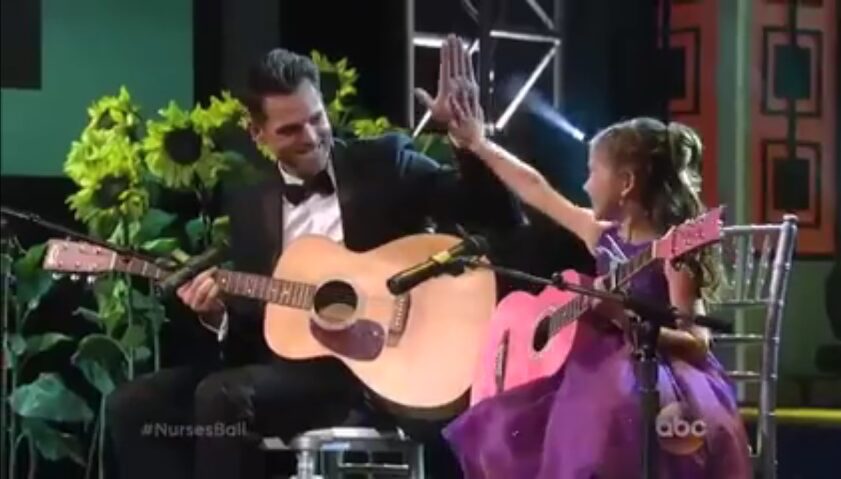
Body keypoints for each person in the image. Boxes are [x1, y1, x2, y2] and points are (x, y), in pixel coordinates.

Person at [105, 36, 521, 479]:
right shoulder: (249, 205)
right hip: (290, 378)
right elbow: (254, 334)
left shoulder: (383, 163)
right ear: (256, 133)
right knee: (133, 405)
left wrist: (470, 144)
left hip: (377, 367)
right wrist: (218, 316)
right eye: (289, 130)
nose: (310, 137)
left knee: (221, 396)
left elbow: (496, 216)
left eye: (316, 119)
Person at [439, 88, 753, 478]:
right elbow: (535, 188)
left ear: (626, 183)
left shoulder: (674, 253)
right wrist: (478, 143)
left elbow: (697, 342)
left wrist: (624, 319)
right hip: (594, 367)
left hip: (659, 376)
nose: (586, 185)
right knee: (512, 421)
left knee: (601, 419)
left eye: (593, 172)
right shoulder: (600, 235)